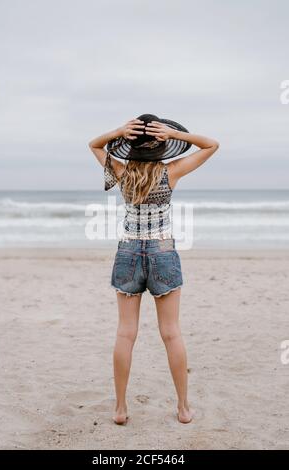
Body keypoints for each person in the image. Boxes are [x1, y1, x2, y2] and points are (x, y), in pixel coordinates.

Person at [88, 114, 219, 425]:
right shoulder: (171, 172)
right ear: (161, 148)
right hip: (162, 252)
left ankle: (120, 408)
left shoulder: (121, 172)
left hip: (128, 252)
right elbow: (212, 144)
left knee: (125, 333)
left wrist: (119, 130)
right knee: (172, 334)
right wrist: (178, 135)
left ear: (130, 147)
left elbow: (93, 144)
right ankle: (184, 408)